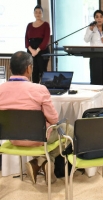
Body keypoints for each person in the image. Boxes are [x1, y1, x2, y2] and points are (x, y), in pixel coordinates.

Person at [0, 51, 73, 185]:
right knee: (69, 130)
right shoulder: (39, 89)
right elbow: (54, 119)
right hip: (38, 140)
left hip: (13, 139)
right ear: (29, 68)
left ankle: (39, 162)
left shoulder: (1, 89)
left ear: (10, 69)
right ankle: (43, 161)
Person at [25, 5, 50, 83]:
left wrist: (37, 51)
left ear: (42, 14)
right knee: (34, 71)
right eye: (36, 12)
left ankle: (43, 89)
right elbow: (26, 39)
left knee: (42, 71)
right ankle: (35, 89)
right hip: (31, 51)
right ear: (33, 13)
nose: (38, 14)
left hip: (42, 51)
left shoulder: (46, 25)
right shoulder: (29, 25)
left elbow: (46, 40)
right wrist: (31, 50)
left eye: (40, 12)